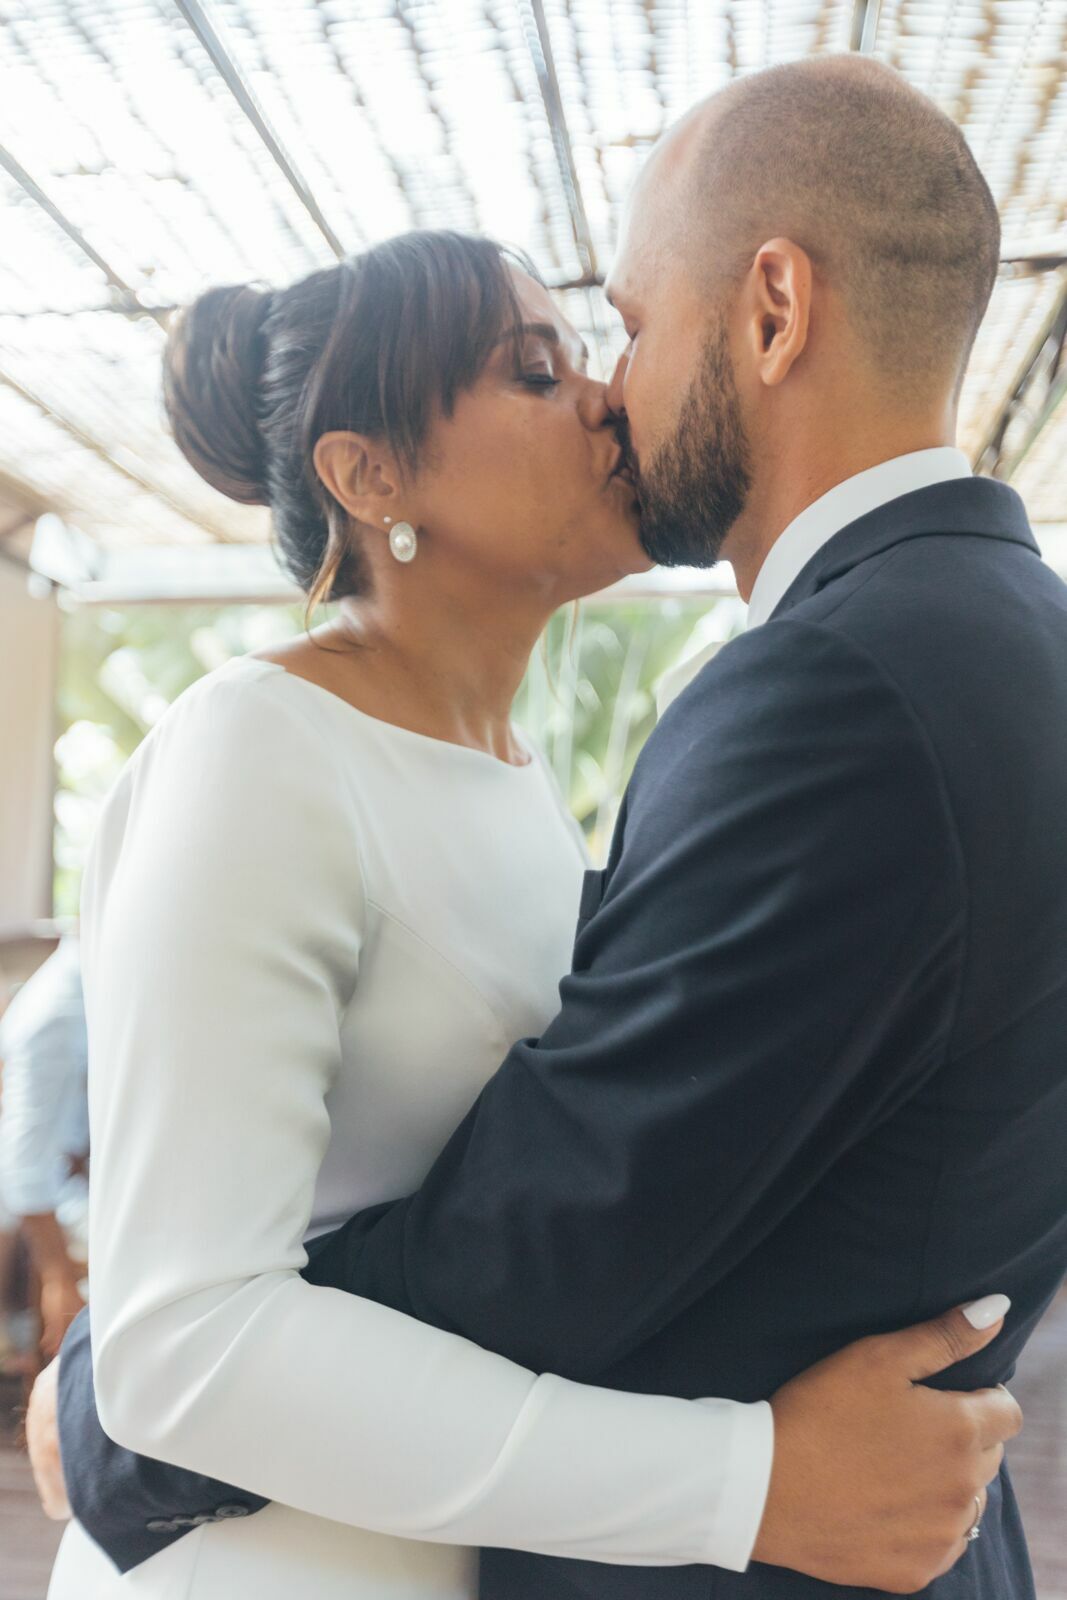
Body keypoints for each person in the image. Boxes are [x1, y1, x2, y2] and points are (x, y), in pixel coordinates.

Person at [38, 55, 1034, 1599]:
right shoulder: (253, 749)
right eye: (538, 365)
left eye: (612, 338)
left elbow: (576, 1207)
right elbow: (208, 1326)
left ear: (770, 309)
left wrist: (111, 1399)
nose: (605, 399)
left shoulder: (635, 748)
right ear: (369, 478)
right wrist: (122, 1384)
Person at [0, 933, 88, 1358]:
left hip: (64, 1181)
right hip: (42, 1200)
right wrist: (60, 1279)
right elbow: (25, 1165)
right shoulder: (56, 1010)